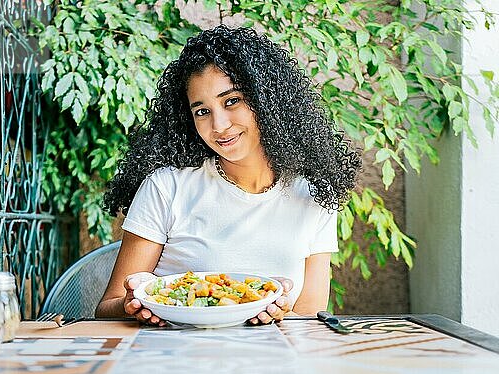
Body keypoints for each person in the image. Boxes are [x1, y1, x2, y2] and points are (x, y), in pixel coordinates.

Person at [95, 25, 361, 325]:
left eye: (231, 101)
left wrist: (282, 312)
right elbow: (107, 307)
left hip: (273, 364)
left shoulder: (313, 196)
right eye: (202, 111)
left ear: (267, 100)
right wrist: (132, 303)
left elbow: (310, 319)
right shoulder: (167, 187)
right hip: (172, 359)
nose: (219, 125)